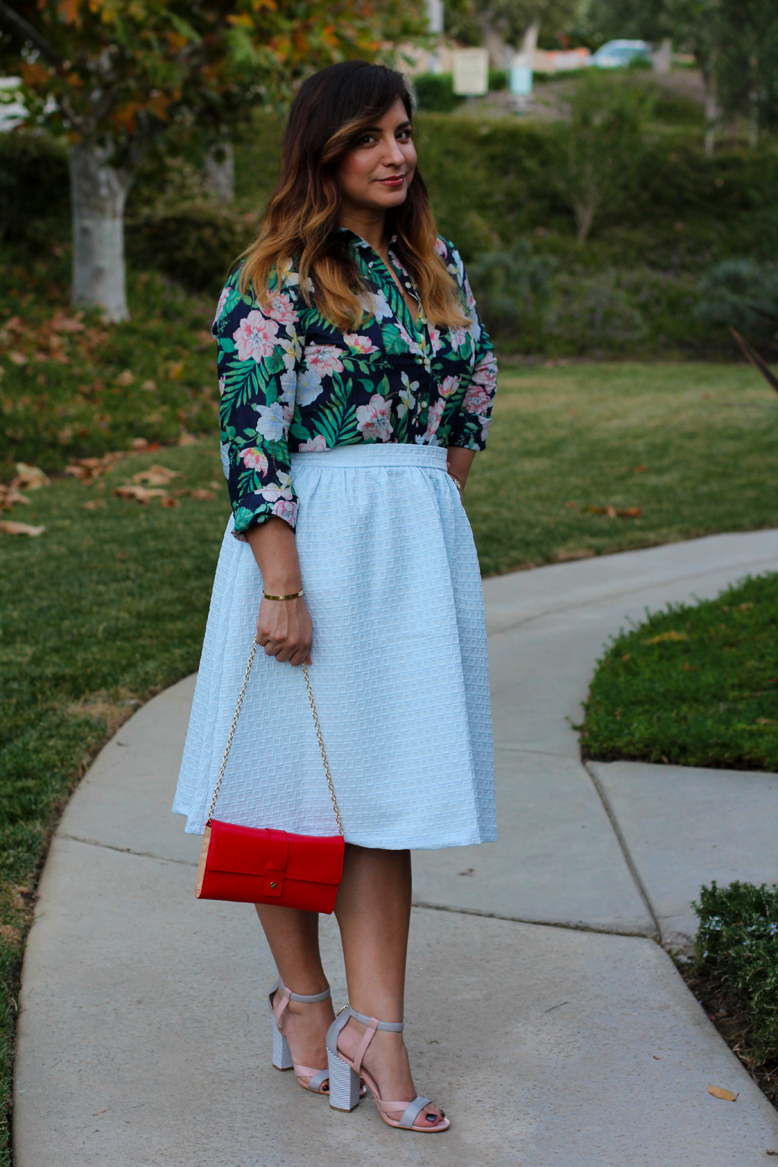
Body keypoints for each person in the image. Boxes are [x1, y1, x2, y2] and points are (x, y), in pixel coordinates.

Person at [173, 59, 497, 1134]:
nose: (397, 153)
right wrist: (280, 584)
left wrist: (432, 511)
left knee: (383, 802)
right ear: (324, 152)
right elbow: (249, 437)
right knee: (286, 790)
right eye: (371, 136)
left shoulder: (434, 261)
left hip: (406, 549)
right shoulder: (276, 276)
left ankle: (379, 1026)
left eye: (404, 132)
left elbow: (472, 394)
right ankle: (304, 1002)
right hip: (306, 546)